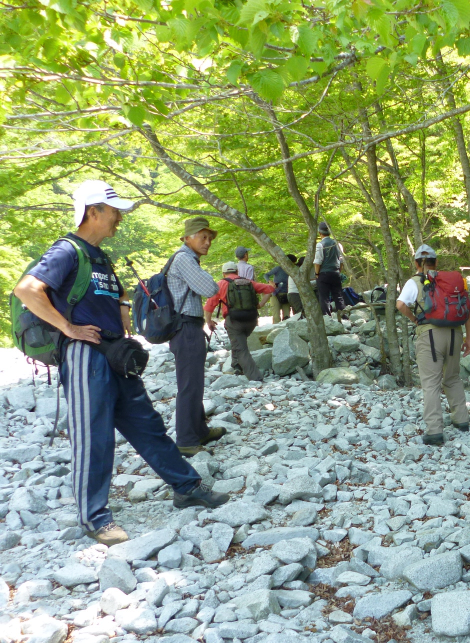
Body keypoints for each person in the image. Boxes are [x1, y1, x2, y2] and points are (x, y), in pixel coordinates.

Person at [12, 181, 228, 545]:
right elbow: (27, 289)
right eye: (114, 212)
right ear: (93, 211)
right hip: (84, 355)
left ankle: (187, 486)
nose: (119, 219)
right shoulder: (68, 249)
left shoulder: (98, 255)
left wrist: (124, 314)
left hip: (114, 354)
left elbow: (119, 291)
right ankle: (94, 517)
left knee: (147, 424)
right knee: (94, 435)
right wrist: (68, 327)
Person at [396, 244, 470, 445]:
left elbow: (400, 305)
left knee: (430, 383)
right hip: (455, 333)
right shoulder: (452, 282)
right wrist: (469, 337)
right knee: (453, 378)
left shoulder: (415, 282)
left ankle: (435, 431)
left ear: (416, 263)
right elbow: (467, 308)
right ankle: (461, 420)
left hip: (429, 335)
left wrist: (414, 319)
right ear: (436, 262)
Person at [166, 217, 224, 457]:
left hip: (188, 326)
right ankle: (187, 439)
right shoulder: (184, 259)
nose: (207, 242)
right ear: (187, 237)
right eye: (203, 236)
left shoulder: (188, 259)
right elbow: (210, 288)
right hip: (185, 327)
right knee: (189, 384)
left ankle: (199, 430)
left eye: (209, 238)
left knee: (194, 381)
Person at [204, 262, 275, 381]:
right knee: (238, 342)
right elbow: (269, 289)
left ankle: (256, 377)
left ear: (223, 273)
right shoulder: (248, 282)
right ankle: (237, 367)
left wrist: (209, 322)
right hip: (251, 320)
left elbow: (208, 306)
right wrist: (261, 304)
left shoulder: (220, 284)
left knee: (241, 348)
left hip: (234, 321)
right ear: (237, 272)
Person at [314, 221, 347, 319]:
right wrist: (339, 271)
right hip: (335, 272)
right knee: (338, 295)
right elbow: (341, 261)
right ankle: (343, 316)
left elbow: (318, 262)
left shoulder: (320, 245)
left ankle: (327, 318)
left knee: (324, 297)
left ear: (320, 233)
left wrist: (316, 273)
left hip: (323, 274)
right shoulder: (338, 244)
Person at [286, 253, 306, 318]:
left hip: (292, 294)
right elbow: (304, 283)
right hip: (295, 294)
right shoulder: (297, 271)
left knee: (297, 314)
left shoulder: (295, 270)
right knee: (299, 313)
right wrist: (317, 281)